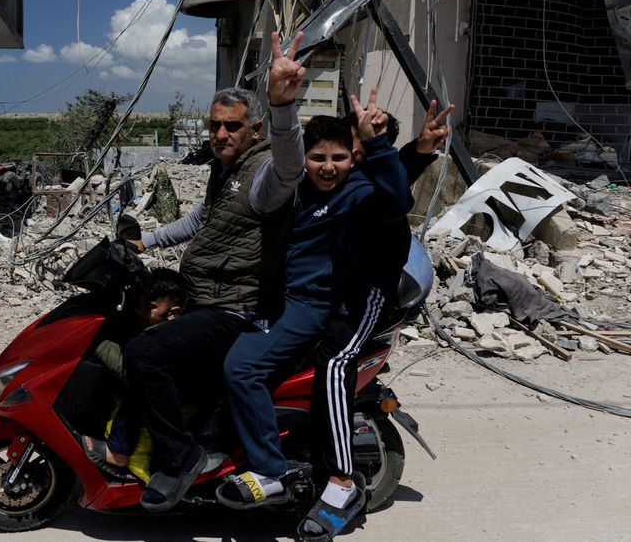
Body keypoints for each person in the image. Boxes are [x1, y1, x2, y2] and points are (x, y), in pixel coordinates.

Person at [120, 32, 308, 513]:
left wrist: (285, 107)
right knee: (128, 332)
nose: (220, 134)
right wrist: (148, 240)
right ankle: (124, 443)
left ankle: (181, 458)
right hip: (205, 297)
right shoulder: (224, 168)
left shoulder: (264, 171)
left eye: (232, 127)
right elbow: (204, 219)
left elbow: (290, 169)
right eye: (214, 126)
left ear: (254, 128)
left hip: (235, 309)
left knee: (144, 353)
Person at [217, 90, 410, 513]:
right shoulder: (295, 186)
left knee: (242, 367)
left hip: (308, 304)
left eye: (339, 158)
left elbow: (397, 202)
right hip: (268, 297)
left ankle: (271, 472)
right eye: (318, 158)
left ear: (352, 159)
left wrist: (377, 143)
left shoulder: (356, 191)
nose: (328, 167)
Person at [297, 100, 455, 541]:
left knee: (333, 364)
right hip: (325, 294)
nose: (340, 163)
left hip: (367, 298)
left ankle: (341, 484)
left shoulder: (382, 186)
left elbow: (395, 181)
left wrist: (414, 149)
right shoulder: (344, 175)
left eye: (371, 139)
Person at [81, 268, 187, 481]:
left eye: (148, 308)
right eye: (138, 304)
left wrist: (93, 339)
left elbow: (127, 369)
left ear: (173, 313)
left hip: (177, 391)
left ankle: (119, 451)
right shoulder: (153, 325)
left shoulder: (171, 337)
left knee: (140, 382)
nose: (139, 311)